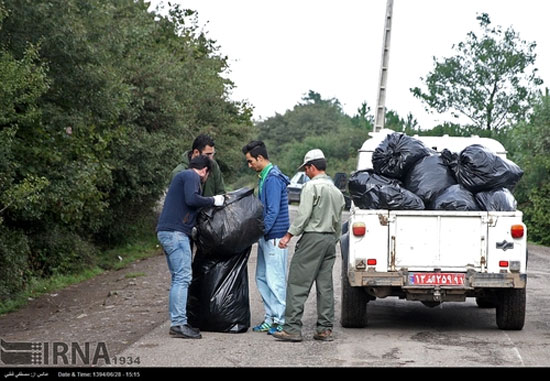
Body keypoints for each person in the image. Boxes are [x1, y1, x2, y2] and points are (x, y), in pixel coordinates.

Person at [273, 149, 345, 342]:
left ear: (312, 167)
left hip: (313, 238)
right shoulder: (337, 192)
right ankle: (324, 329)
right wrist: (333, 239)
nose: (305, 173)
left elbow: (303, 216)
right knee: (325, 286)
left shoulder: (311, 187)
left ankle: (292, 329)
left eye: (306, 169)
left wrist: (288, 235)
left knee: (298, 282)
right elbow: (338, 222)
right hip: (330, 240)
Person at [157, 155, 225, 339]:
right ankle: (178, 324)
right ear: (205, 170)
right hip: (175, 234)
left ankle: (178, 322)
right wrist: (213, 200)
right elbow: (192, 200)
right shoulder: (191, 176)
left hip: (168, 232)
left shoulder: (183, 177)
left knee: (178, 278)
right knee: (183, 278)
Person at [242, 141, 291, 335]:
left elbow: (272, 211)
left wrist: (259, 232)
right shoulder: (264, 177)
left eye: (250, 161)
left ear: (260, 158)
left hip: (274, 237)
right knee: (262, 277)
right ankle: (270, 318)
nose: (249, 165)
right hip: (266, 237)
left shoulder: (272, 179)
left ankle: (280, 321)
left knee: (275, 280)